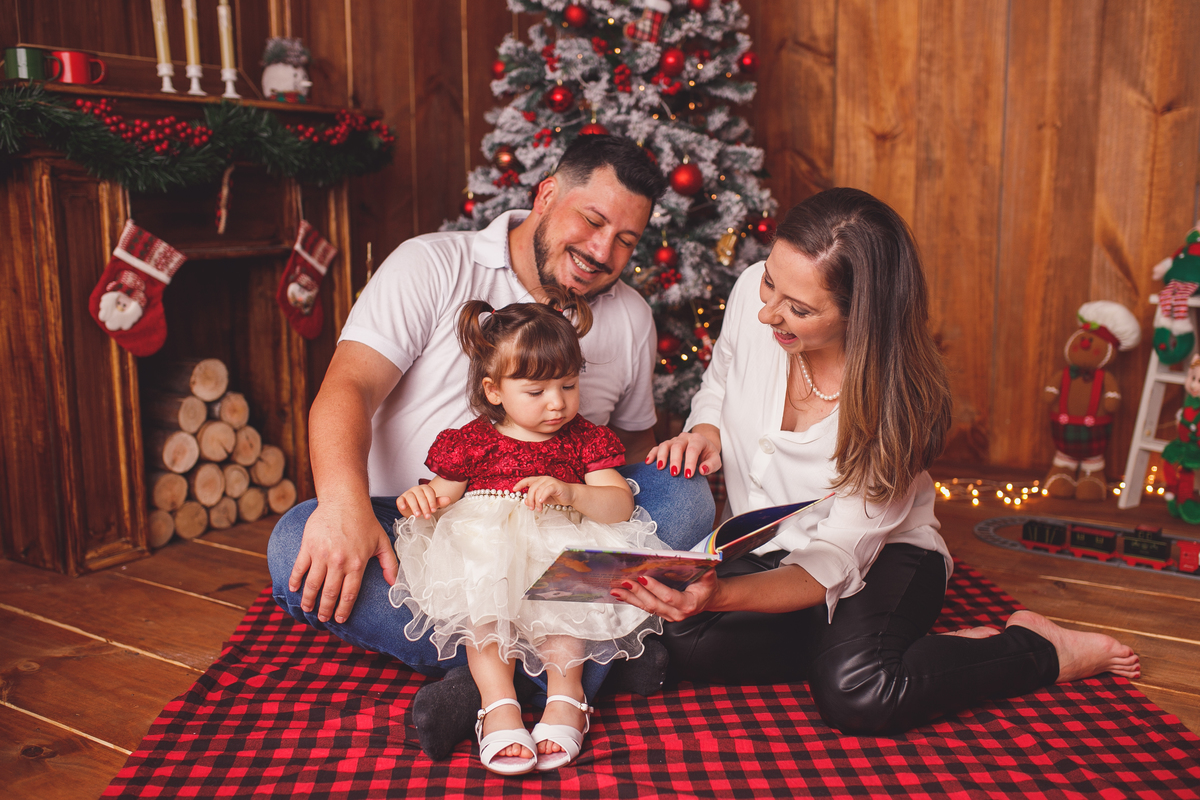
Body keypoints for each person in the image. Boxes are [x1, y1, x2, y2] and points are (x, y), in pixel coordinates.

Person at [616, 187, 1140, 734]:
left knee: (860, 694)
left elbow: (835, 559)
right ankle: (895, 649)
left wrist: (724, 594)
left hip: (882, 558)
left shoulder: (897, 406)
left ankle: (1037, 648)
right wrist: (704, 431)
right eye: (771, 281)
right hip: (770, 547)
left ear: (861, 314)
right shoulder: (758, 290)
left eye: (799, 309)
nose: (767, 311)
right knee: (684, 637)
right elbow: (721, 380)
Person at [266, 135, 715, 758]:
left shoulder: (630, 315)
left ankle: (481, 689)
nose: (602, 252)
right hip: (428, 531)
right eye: (592, 221)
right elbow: (346, 388)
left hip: (558, 533)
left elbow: (632, 449)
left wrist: (616, 481)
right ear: (547, 194)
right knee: (295, 541)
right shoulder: (431, 264)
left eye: (626, 242)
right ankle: (579, 673)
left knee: (686, 497)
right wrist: (344, 506)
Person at [390, 292, 664, 774]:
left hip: (557, 545)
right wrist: (422, 500)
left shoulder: (584, 438)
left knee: (566, 608)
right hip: (484, 550)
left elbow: (620, 505)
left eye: (569, 385)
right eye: (536, 392)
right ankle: (498, 703)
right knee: (486, 615)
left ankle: (566, 695)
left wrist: (571, 492)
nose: (557, 403)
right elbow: (442, 493)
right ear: (494, 390)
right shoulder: (471, 440)